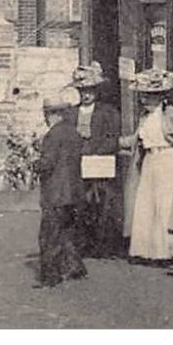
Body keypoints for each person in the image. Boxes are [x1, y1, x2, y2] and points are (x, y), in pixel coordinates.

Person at [122, 69, 173, 264]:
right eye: (144, 96)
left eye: (150, 96)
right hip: (150, 162)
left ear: (160, 97)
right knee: (146, 204)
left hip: (169, 162)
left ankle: (169, 252)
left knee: (165, 206)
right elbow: (135, 140)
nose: (145, 100)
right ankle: (148, 251)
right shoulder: (144, 118)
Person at [35, 87, 87, 287]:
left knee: (49, 235)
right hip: (74, 192)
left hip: (55, 194)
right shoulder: (74, 133)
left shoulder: (52, 136)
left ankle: (50, 276)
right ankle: (75, 267)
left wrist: (35, 164)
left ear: (50, 114)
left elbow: (47, 164)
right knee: (68, 232)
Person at [71, 63, 123, 257]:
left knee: (103, 205)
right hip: (78, 164)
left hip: (100, 163)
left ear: (96, 92)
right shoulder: (71, 113)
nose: (86, 95)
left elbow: (113, 138)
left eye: (90, 91)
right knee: (80, 205)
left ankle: (104, 246)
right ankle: (82, 244)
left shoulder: (109, 113)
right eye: (83, 91)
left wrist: (96, 151)